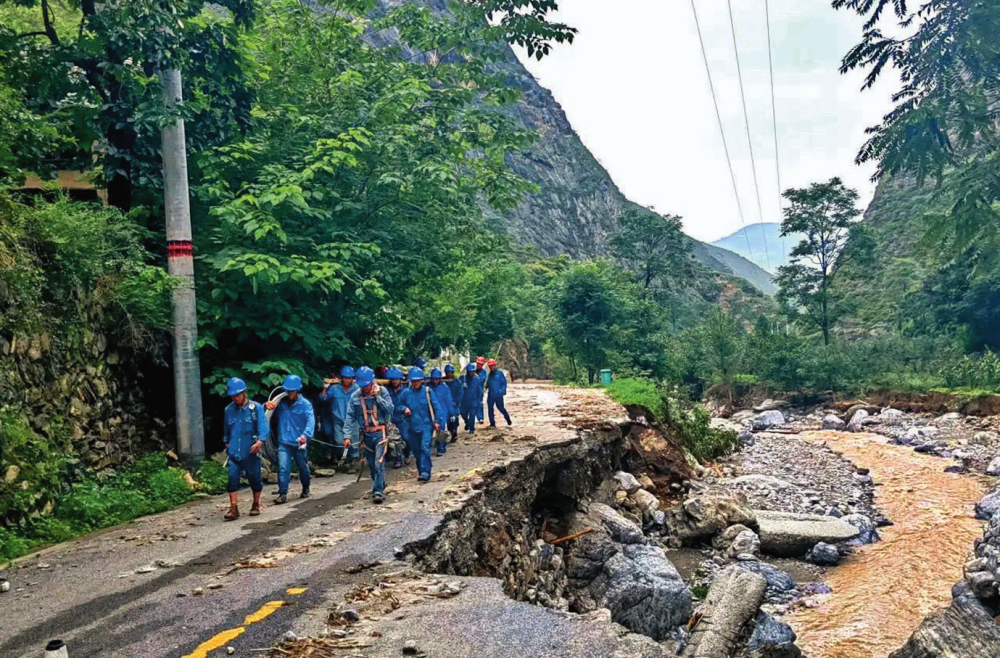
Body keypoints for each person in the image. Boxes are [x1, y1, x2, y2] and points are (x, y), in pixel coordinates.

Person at [344, 366, 394, 504]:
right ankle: (380, 483)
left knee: (379, 463)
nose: (365, 388)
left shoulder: (382, 392)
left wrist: (378, 398)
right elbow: (350, 417)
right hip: (366, 435)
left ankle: (377, 491)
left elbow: (390, 409)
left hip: (380, 433)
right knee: (372, 465)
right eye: (362, 386)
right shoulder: (355, 396)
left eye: (367, 385)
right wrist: (347, 436)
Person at [222, 377, 268, 520]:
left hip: (251, 451)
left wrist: (259, 442)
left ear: (244, 393)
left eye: (237, 395)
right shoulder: (228, 410)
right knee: (232, 478)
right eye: (232, 396)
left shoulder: (256, 409)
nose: (235, 398)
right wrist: (226, 442)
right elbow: (226, 429)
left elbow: (263, 427)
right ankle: (233, 508)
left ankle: (255, 503)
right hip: (234, 451)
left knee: (254, 478)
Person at [266, 374, 314, 504]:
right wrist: (267, 407)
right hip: (284, 442)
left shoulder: (305, 405)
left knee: (303, 467)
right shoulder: (280, 403)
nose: (289, 393)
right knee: (283, 467)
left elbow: (310, 422)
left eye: (291, 391)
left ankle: (306, 487)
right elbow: (268, 416)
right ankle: (282, 493)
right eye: (287, 390)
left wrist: (306, 435)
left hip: (299, 442)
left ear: (297, 390)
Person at [398, 367, 444, 483]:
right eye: (413, 381)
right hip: (411, 427)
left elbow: (436, 406)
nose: (416, 383)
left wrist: (437, 421)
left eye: (418, 380)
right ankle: (421, 471)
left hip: (426, 426)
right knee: (417, 451)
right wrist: (404, 408)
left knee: (424, 448)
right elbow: (397, 406)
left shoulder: (428, 392)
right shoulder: (405, 393)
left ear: (422, 380)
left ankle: (425, 472)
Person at [319, 366, 359, 467]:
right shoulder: (334, 388)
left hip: (352, 421)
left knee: (353, 441)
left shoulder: (356, 389)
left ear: (352, 379)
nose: (347, 380)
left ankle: (352, 461)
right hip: (338, 420)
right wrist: (325, 388)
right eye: (345, 377)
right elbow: (324, 399)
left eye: (349, 378)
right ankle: (342, 457)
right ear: (341, 378)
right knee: (338, 441)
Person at [385, 367, 410, 468]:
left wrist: (405, 408)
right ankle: (397, 459)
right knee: (394, 439)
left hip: (403, 419)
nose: (395, 381)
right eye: (393, 379)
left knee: (406, 438)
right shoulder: (387, 391)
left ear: (400, 380)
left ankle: (407, 453)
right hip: (391, 419)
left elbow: (409, 404)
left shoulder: (406, 391)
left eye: (396, 379)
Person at [429, 368, 455, 456]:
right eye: (433, 379)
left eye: (436, 379)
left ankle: (441, 448)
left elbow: (448, 400)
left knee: (441, 430)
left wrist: (451, 413)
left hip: (443, 412)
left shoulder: (444, 387)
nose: (434, 381)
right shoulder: (429, 388)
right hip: (431, 412)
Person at [486, 359, 512, 427]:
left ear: (495, 365)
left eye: (492, 366)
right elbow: (486, 385)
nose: (491, 367)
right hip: (491, 395)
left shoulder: (500, 373)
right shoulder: (488, 375)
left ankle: (507, 418)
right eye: (490, 366)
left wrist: (502, 391)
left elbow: (504, 383)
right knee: (490, 409)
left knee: (501, 408)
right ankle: (492, 423)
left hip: (498, 394)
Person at [443, 364, 463, 443]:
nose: (449, 374)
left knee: (454, 418)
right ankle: (451, 431)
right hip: (446, 404)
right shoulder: (443, 381)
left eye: (450, 372)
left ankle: (455, 433)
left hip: (454, 404)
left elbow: (460, 392)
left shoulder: (457, 382)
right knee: (448, 420)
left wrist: (456, 401)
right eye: (448, 372)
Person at [460, 363, 480, 434]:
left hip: (473, 400)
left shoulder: (476, 379)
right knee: (463, 414)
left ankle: (472, 428)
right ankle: (467, 422)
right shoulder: (462, 379)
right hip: (464, 401)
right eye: (470, 371)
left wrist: (479, 399)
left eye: (473, 371)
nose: (472, 373)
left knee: (472, 414)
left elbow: (479, 390)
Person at [473, 356, 488, 422]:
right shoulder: (473, 370)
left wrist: (476, 376)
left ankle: (480, 417)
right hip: (472, 390)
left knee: (479, 403)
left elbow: (481, 380)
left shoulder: (483, 372)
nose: (478, 365)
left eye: (480, 364)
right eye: (477, 363)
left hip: (479, 390)